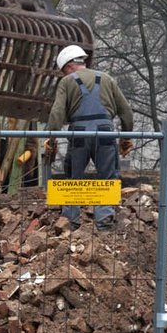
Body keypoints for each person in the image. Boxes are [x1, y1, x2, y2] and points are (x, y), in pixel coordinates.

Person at [43, 44, 135, 230]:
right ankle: (104, 223)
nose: (64, 74)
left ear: (68, 66)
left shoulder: (67, 82)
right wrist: (125, 138)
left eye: (63, 71)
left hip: (79, 134)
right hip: (105, 133)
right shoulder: (107, 79)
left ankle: (70, 222)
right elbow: (127, 112)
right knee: (107, 178)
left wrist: (50, 140)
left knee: (73, 177)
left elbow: (56, 114)